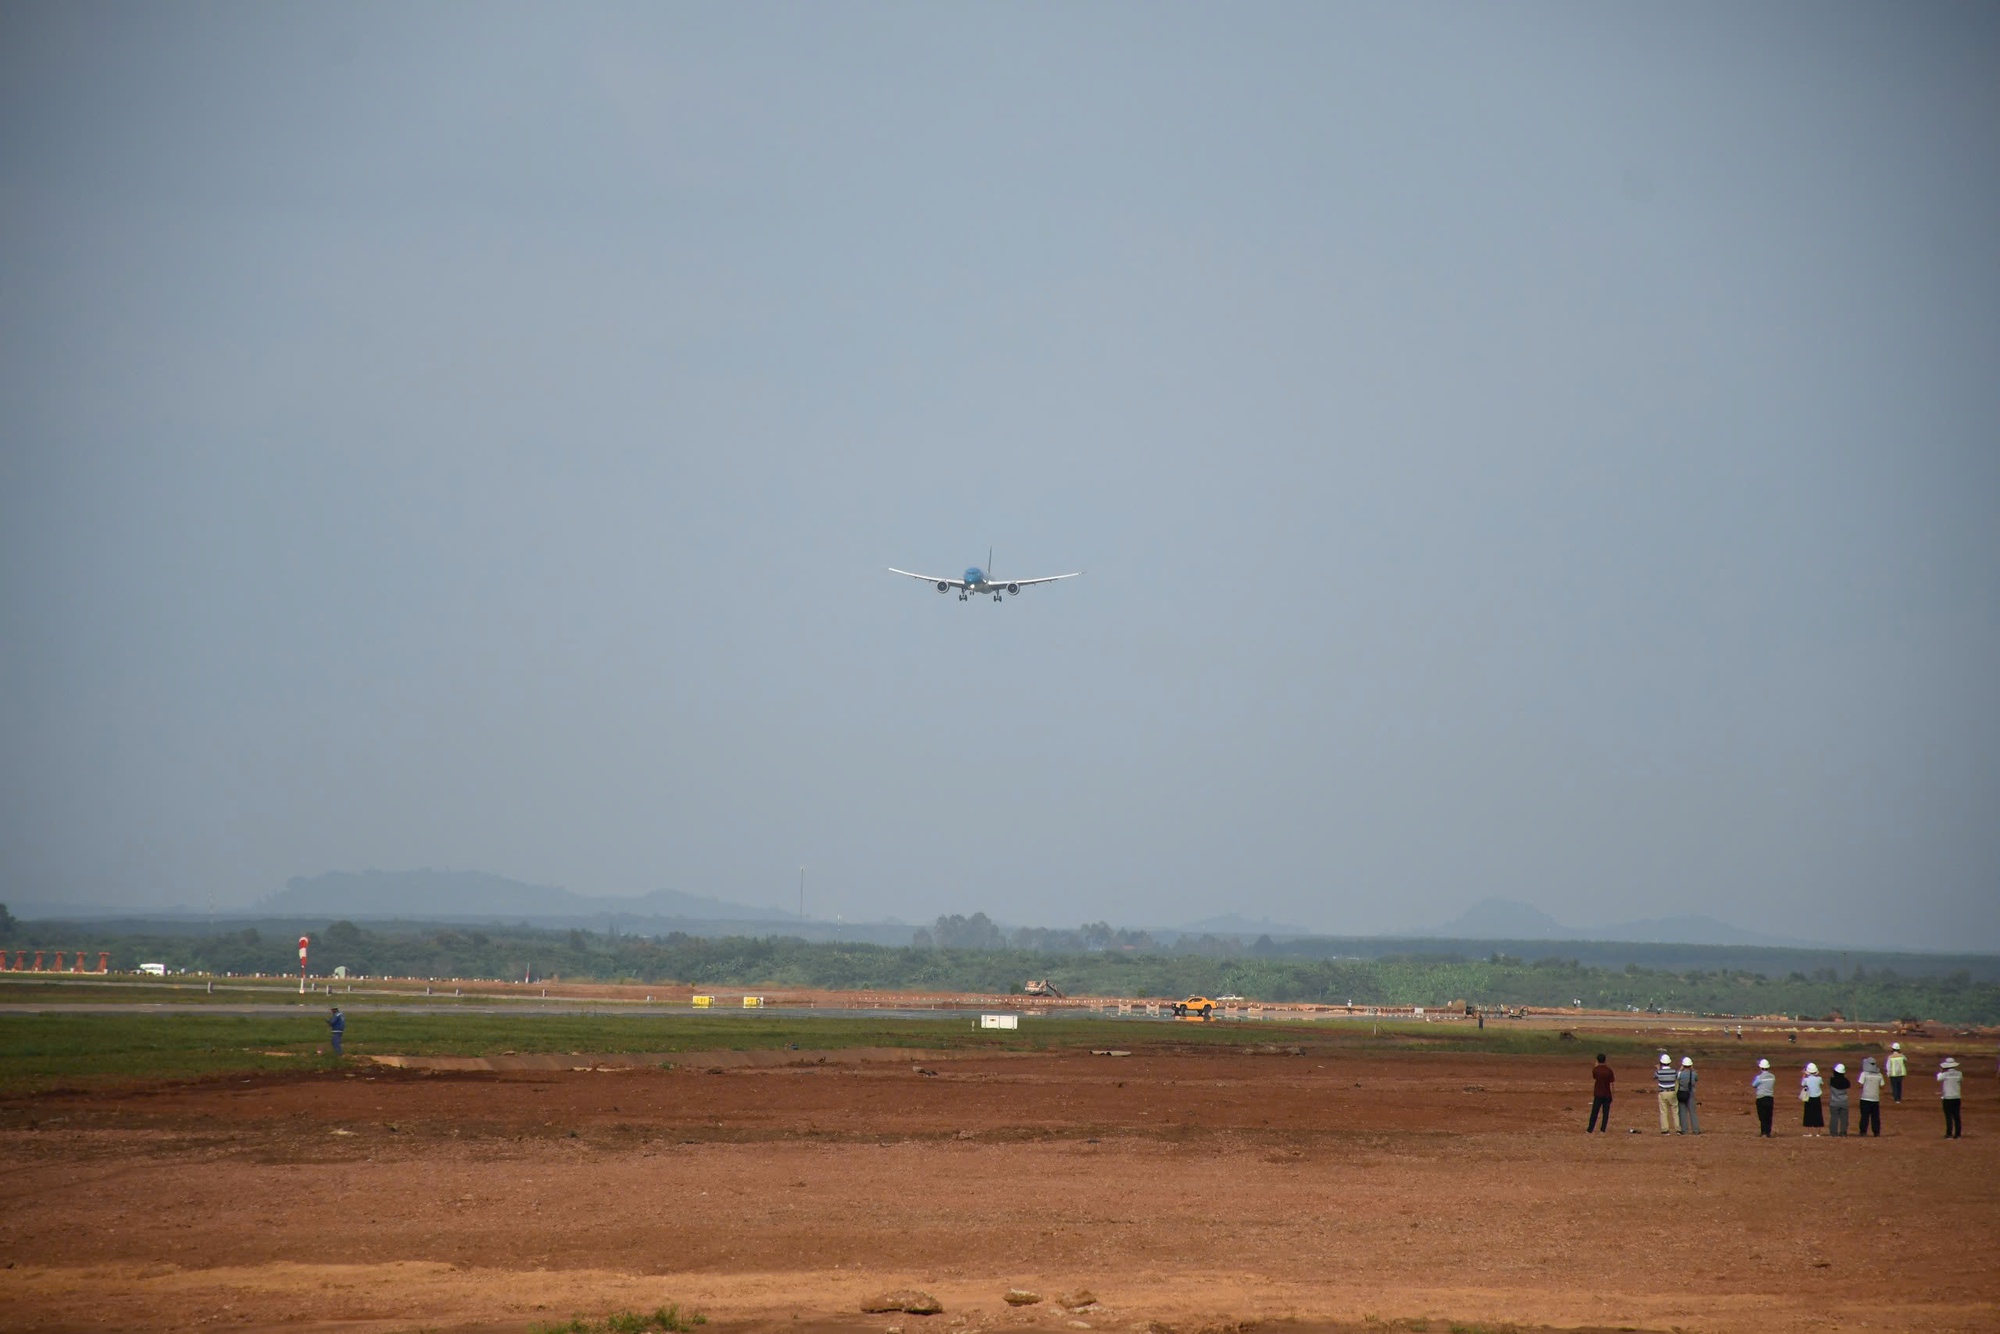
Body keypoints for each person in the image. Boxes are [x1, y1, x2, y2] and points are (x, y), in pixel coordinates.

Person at [1857, 1056, 1884, 1137]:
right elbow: (1882, 1085)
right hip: (1875, 1099)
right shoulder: (1879, 1075)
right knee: (1875, 1117)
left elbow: (1860, 1084)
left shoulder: (1864, 1074)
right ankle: (1876, 1132)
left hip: (1865, 1098)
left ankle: (1863, 1132)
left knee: (1864, 1116)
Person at [1587, 1053, 1614, 1133]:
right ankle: (1603, 1129)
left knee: (1594, 1112)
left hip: (1598, 1093)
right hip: (1607, 1094)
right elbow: (1611, 1083)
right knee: (1605, 1113)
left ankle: (1590, 1129)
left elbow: (1594, 1077)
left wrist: (1596, 1066)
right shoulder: (1609, 1070)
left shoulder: (1596, 1070)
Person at [1937, 1057, 1963, 1139]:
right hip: (1957, 1097)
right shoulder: (1959, 1074)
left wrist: (1941, 1071)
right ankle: (1958, 1134)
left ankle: (1949, 1133)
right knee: (1957, 1116)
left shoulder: (1945, 1075)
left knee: (1948, 1116)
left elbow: (1938, 1079)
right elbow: (1961, 1082)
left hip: (1948, 1097)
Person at [1655, 1053, 1680, 1134]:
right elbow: (1677, 1078)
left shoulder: (1659, 1072)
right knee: (1675, 1112)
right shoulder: (1673, 1071)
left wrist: (1658, 1068)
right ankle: (1678, 1129)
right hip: (1672, 1092)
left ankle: (1665, 1129)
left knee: (1663, 1112)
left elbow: (1655, 1076)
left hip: (1663, 1092)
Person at [1676, 1056, 1700, 1135]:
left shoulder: (1680, 1074)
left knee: (1682, 1112)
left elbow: (1677, 1078)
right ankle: (1696, 1130)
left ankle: (1684, 1130)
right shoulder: (1693, 1074)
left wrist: (1680, 1070)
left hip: (1682, 1094)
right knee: (1693, 1112)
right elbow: (1696, 1079)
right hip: (1690, 1094)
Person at [1752, 1058, 1776, 1137]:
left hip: (1761, 1098)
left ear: (1761, 1067)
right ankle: (1768, 1132)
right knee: (1769, 1115)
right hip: (1770, 1098)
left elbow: (1754, 1085)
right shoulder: (1772, 1077)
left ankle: (1763, 1132)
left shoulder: (1759, 1077)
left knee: (1762, 1116)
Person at [1827, 1062, 1850, 1137]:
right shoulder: (1846, 1081)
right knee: (1844, 1118)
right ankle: (1843, 1132)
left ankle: (1833, 1132)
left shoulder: (1832, 1081)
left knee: (1834, 1117)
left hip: (1834, 1102)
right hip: (1844, 1102)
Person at [1801, 1062, 1824, 1134]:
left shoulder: (1806, 1080)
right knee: (1818, 1114)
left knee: (1808, 1114)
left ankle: (1809, 1133)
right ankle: (1818, 1133)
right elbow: (1821, 1083)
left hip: (1809, 1098)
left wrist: (1804, 1074)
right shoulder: (1819, 1078)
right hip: (1817, 1098)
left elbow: (1802, 1084)